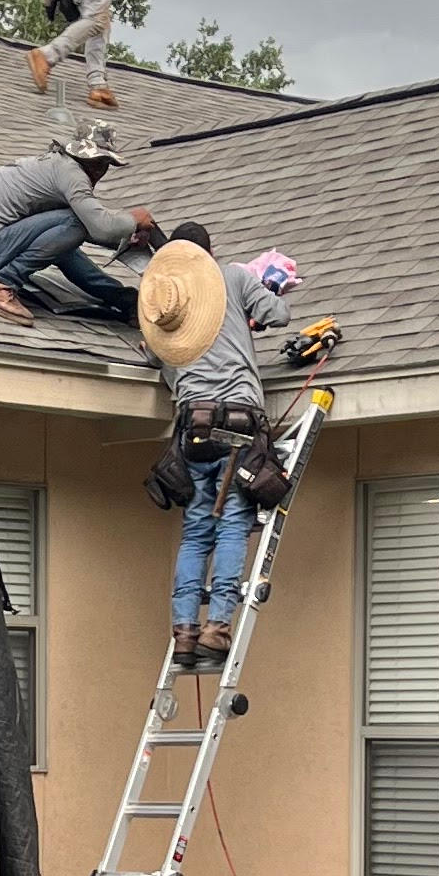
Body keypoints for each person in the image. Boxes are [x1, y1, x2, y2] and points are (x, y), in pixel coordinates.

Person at [140, 233, 302, 667]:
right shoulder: (232, 276)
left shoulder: (167, 305)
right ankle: (217, 628)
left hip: (193, 430)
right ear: (208, 255)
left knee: (196, 533)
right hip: (238, 423)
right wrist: (254, 303)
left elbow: (160, 362)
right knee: (232, 525)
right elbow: (279, 314)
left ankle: (184, 632)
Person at [0, 123, 162, 328]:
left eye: (105, 163)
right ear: (80, 155)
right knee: (74, 223)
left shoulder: (58, 166)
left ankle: (127, 301)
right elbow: (100, 227)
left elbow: (87, 231)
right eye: (97, 161)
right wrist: (134, 220)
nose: (100, 170)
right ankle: (0, 283)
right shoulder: (71, 173)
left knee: (65, 243)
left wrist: (130, 236)